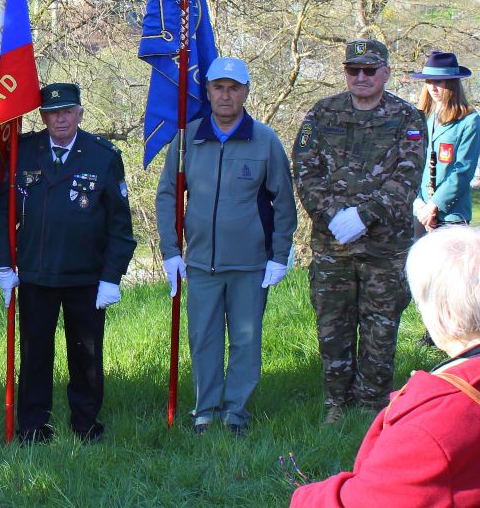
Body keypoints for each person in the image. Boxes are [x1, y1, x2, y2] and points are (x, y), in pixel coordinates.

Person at [154, 56, 298, 436]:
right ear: (208, 91)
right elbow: (168, 195)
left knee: (245, 342)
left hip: (251, 264)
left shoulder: (265, 140)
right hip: (201, 263)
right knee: (203, 339)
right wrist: (171, 250)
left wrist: (279, 255)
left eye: (234, 88)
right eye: (218, 87)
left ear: (246, 92)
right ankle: (205, 409)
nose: (226, 95)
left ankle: (236, 412)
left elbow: (284, 201)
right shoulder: (188, 138)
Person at [290, 226, 480, 506]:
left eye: (421, 301)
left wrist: (303, 498)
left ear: (448, 314)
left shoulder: (434, 424)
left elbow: (361, 502)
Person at [0, 82, 136, 444]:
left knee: (86, 355)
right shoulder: (23, 152)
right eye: (53, 112)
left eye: (68, 111)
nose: (60, 119)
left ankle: (85, 425)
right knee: (34, 354)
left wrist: (112, 276)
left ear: (80, 114)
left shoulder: (102, 156)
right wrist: (4, 263)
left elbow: (120, 226)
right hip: (36, 275)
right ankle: (33, 427)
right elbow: (3, 214)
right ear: (42, 116)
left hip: (85, 276)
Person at [294, 39, 426, 423]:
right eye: (354, 70)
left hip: (385, 247)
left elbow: (407, 177)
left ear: (385, 72)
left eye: (370, 70)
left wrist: (366, 215)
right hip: (333, 245)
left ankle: (371, 406)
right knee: (332, 326)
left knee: (380, 329)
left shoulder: (407, 118)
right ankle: (336, 404)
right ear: (346, 72)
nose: (362, 77)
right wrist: (332, 215)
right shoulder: (322, 114)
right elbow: (304, 170)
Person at [408, 51, 475, 232]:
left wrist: (434, 206)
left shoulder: (469, 120)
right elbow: (413, 161)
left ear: (452, 83)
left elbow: (463, 170)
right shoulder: (422, 116)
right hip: (420, 212)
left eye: (439, 82)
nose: (433, 88)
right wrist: (418, 203)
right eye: (428, 82)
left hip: (450, 215)